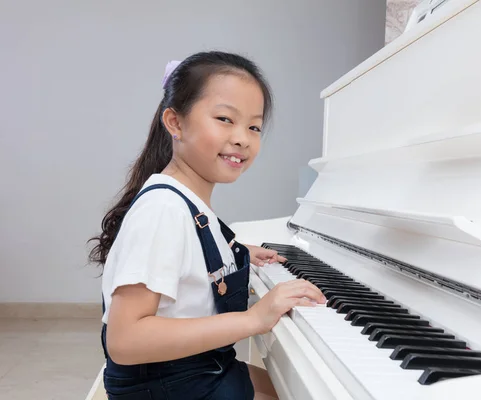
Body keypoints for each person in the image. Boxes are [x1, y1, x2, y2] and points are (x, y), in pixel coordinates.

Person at [87, 51, 326, 400]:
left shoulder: (183, 200)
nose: (242, 137)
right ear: (175, 123)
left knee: (300, 390)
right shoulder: (163, 209)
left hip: (199, 370)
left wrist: (238, 251)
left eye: (254, 126)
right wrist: (254, 319)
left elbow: (187, 264)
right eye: (225, 119)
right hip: (170, 386)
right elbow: (124, 341)